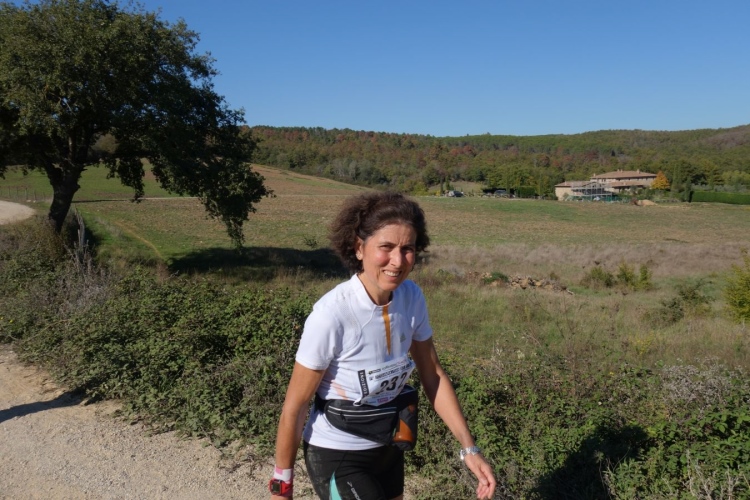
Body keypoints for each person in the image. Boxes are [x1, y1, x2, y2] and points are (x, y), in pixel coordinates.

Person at [269, 191, 496, 500]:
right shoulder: (332, 314)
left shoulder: (411, 297)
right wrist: (282, 485)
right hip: (337, 452)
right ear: (359, 248)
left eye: (408, 249)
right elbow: (295, 407)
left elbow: (433, 375)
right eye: (386, 247)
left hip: (389, 445)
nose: (398, 261)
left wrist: (470, 448)